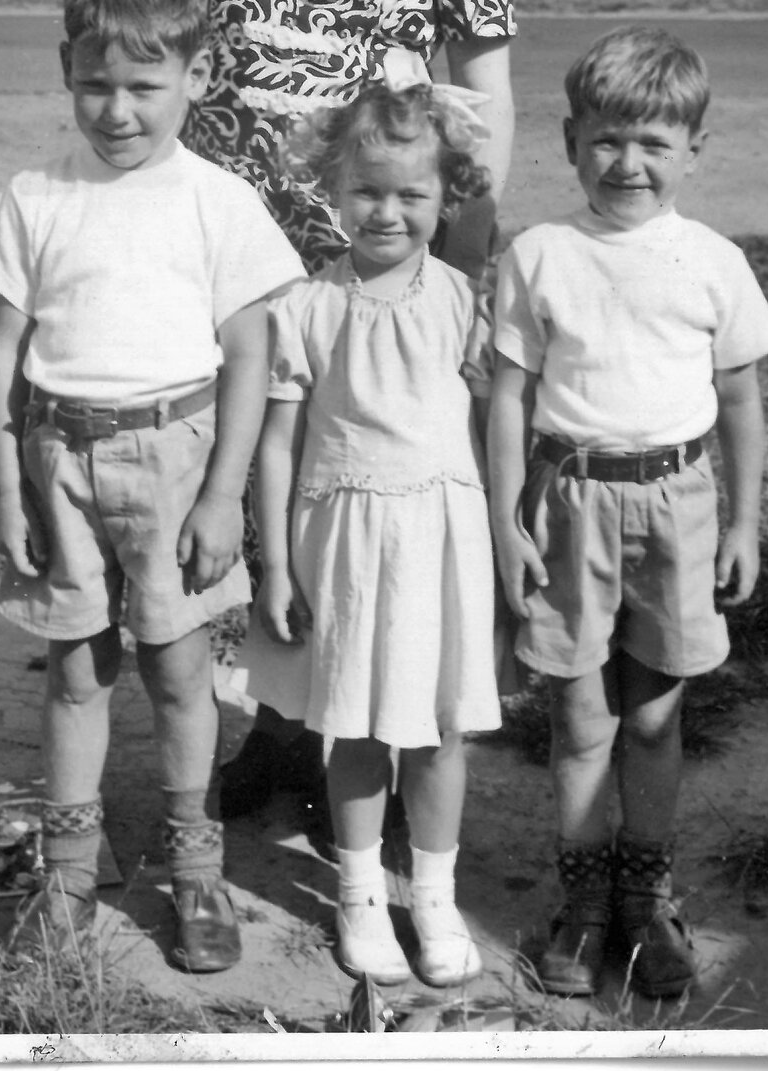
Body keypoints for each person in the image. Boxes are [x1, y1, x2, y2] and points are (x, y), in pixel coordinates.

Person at [157, 0, 515, 823]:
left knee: (350, 487)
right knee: (247, 478)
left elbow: (483, 102)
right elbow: (170, 46)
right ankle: (276, 715)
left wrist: (458, 276)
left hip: (367, 262)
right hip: (221, 252)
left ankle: (368, 727)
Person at [0, 0, 304, 971]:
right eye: (95, 83)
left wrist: (221, 495)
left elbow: (249, 351)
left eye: (144, 86)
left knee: (182, 670)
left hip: (176, 459)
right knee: (75, 672)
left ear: (196, 77)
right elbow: (5, 349)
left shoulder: (218, 201)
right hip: (60, 456)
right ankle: (66, 874)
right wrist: (7, 476)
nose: (117, 110)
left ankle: (194, 872)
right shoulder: (34, 194)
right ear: (66, 68)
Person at [487, 25, 768, 1000]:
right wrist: (504, 519)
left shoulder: (711, 262)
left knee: (653, 713)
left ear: (693, 149)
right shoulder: (539, 254)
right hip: (570, 500)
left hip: (679, 503)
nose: (628, 163)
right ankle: (581, 901)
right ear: (570, 140)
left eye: (654, 142)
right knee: (580, 717)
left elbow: (738, 399)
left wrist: (740, 524)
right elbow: (506, 398)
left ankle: (647, 898)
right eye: (608, 138)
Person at [241, 59, 502, 986]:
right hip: (345, 541)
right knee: (351, 724)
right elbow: (276, 445)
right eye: (365, 192)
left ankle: (431, 893)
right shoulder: (305, 307)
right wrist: (275, 565)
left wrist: (508, 535)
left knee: (438, 727)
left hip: (439, 535)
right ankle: (357, 891)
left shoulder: (466, 303)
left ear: (447, 196)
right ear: (333, 189)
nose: (386, 214)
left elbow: (494, 424)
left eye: (410, 196)